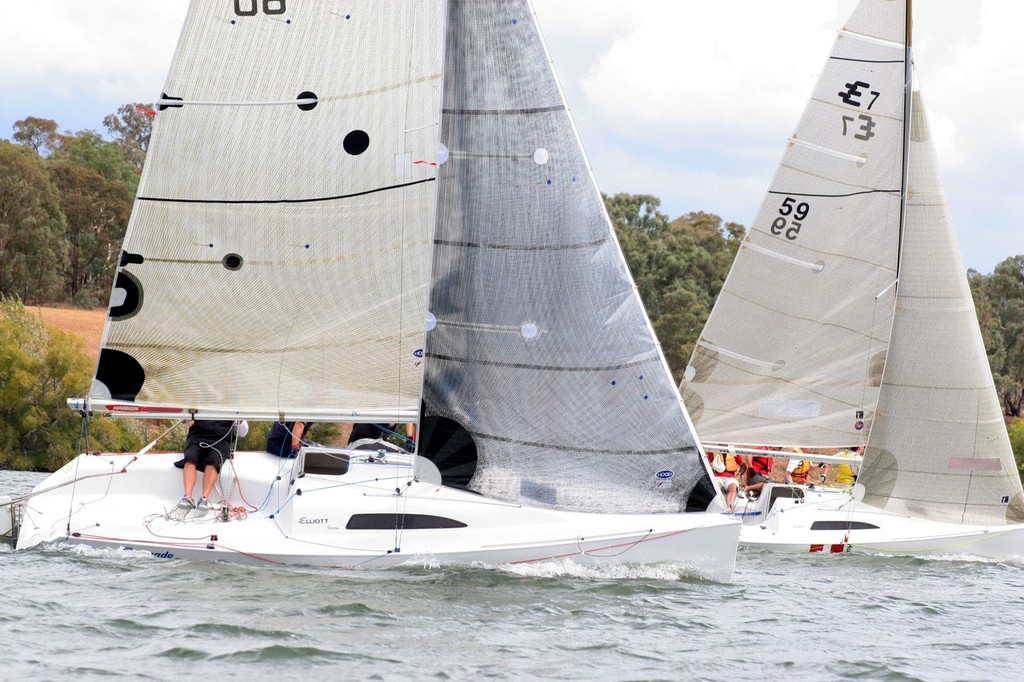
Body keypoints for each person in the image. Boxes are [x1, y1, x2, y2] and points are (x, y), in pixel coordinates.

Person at [176, 419, 246, 516]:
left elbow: (243, 432)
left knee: (214, 460)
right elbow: (185, 419)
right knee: (190, 457)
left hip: (221, 438)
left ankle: (204, 499)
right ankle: (187, 498)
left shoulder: (231, 409)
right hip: (197, 435)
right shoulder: (199, 404)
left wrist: (240, 421)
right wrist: (186, 416)